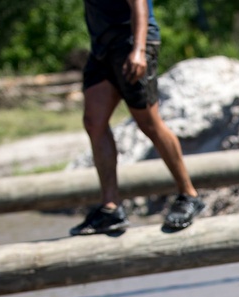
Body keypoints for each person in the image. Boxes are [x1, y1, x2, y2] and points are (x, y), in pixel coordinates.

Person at [71, 0, 205, 236]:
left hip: (132, 42)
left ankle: (189, 195)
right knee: (94, 123)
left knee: (148, 123)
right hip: (102, 47)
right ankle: (110, 208)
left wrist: (139, 50)